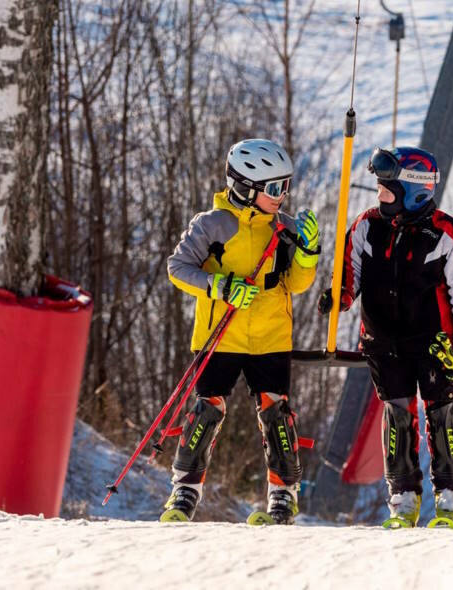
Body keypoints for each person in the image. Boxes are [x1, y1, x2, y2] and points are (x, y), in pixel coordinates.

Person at [318, 146, 453, 529]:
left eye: (387, 190)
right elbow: (350, 270)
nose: (379, 196)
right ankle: (403, 498)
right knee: (396, 414)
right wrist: (338, 295)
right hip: (383, 341)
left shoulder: (447, 235)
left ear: (414, 191)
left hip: (433, 344)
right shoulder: (366, 226)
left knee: (440, 412)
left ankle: (450, 498)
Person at [161, 138, 321, 524]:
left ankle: (283, 496)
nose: (281, 196)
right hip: (221, 333)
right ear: (245, 188)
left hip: (270, 333)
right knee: (206, 410)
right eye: (272, 189)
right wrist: (221, 286)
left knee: (276, 412)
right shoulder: (212, 224)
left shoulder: (283, 227)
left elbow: (296, 283)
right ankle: (183, 492)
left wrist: (308, 254)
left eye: (285, 186)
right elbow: (178, 268)